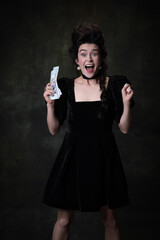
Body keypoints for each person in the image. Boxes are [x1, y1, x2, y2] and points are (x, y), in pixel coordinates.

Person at [43, 22, 135, 240]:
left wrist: (127, 103)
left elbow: (124, 128)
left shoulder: (115, 85)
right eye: (83, 54)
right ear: (77, 60)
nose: (89, 59)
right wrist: (49, 105)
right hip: (72, 158)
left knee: (110, 220)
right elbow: (54, 129)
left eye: (94, 54)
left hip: (104, 158)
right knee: (64, 220)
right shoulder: (64, 87)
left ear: (101, 58)